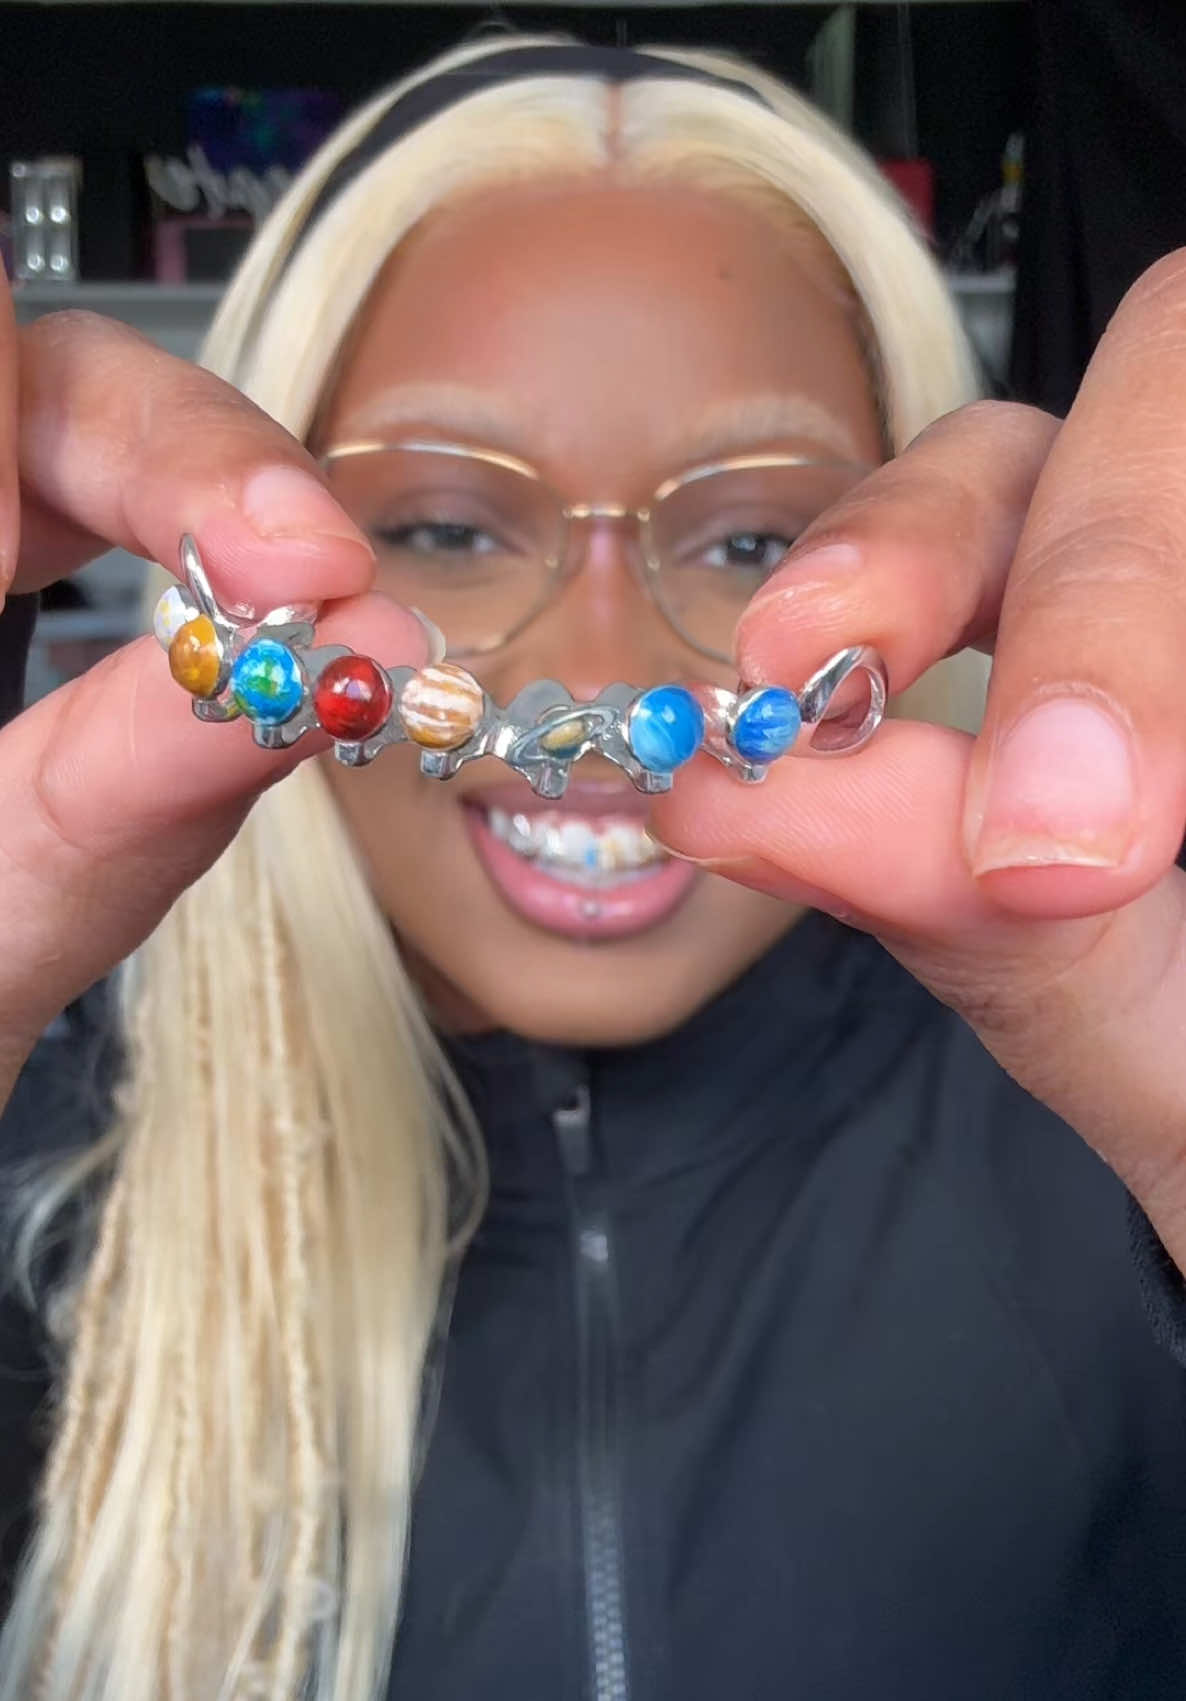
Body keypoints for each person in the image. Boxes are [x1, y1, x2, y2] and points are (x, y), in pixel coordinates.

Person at [2, 33, 1186, 1701]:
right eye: (446, 525)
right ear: (266, 579)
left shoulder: (1122, 1178)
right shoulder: (38, 1218)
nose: (600, 666)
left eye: (754, 537)